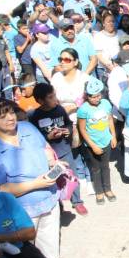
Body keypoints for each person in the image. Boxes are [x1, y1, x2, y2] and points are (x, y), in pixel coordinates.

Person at [0, 98, 67, 258]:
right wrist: (35, 184)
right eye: (2, 116)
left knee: (49, 232)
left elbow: (45, 147)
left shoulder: (27, 128)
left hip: (48, 195)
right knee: (26, 247)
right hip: (22, 209)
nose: (10, 118)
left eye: (10, 112)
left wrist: (53, 164)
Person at [29, 83, 88, 216]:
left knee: (71, 176)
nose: (55, 99)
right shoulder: (35, 116)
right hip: (50, 156)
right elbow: (35, 137)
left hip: (65, 149)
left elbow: (68, 123)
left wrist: (67, 130)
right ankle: (58, 204)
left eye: (54, 95)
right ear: (40, 101)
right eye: (51, 97)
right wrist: (47, 136)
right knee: (54, 180)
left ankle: (77, 201)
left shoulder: (60, 109)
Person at [77, 76, 118, 205]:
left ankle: (108, 189)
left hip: (106, 140)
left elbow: (110, 119)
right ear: (87, 96)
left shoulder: (106, 104)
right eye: (92, 96)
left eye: (98, 95)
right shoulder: (83, 109)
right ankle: (99, 191)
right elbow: (82, 129)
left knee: (106, 167)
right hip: (92, 144)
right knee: (96, 168)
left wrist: (113, 136)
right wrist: (92, 145)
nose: (96, 99)